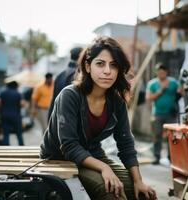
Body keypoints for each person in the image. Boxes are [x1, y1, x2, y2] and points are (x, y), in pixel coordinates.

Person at [40, 36, 157, 200]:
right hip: (60, 157)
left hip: (93, 154)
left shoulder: (116, 101)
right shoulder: (70, 95)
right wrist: (104, 168)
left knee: (141, 193)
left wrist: (138, 181)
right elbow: (69, 146)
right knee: (111, 192)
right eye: (100, 64)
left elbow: (126, 144)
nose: (107, 71)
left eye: (113, 65)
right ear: (88, 66)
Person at [146, 63, 182, 165]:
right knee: (157, 135)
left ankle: (172, 157)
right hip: (157, 113)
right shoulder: (152, 84)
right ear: (156, 72)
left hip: (171, 113)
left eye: (163, 72)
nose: (161, 74)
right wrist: (160, 90)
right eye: (159, 72)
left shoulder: (173, 82)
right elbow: (148, 98)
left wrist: (181, 89)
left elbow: (180, 92)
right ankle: (156, 157)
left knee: (172, 136)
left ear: (166, 72)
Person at [48, 46, 83, 119]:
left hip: (58, 116)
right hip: (71, 118)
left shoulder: (60, 76)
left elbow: (53, 99)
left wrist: (50, 119)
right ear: (81, 56)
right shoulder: (79, 76)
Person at [0, 81, 24, 145]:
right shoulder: (18, 94)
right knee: (19, 133)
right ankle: (21, 147)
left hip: (5, 116)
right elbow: (22, 104)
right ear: (15, 86)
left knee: (6, 134)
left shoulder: (3, 93)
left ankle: (6, 147)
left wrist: (1, 110)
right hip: (16, 116)